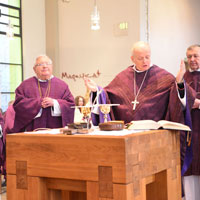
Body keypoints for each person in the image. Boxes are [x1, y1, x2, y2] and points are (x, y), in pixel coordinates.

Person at [85, 41, 195, 125]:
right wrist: (96, 90)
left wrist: (179, 81)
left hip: (154, 132)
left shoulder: (162, 76)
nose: (145, 61)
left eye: (147, 57)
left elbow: (175, 98)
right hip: (127, 131)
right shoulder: (123, 77)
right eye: (140, 58)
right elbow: (108, 94)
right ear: (132, 59)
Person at [6, 55, 75, 133]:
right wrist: (38, 103)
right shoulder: (25, 85)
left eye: (47, 63)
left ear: (52, 67)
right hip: (32, 130)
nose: (45, 66)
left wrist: (55, 103)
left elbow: (71, 105)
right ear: (34, 69)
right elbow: (18, 105)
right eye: (40, 64)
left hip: (56, 130)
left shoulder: (62, 85)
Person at [179, 44, 200, 200]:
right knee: (190, 166)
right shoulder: (183, 78)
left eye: (196, 56)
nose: (192, 59)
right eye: (189, 56)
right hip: (189, 129)